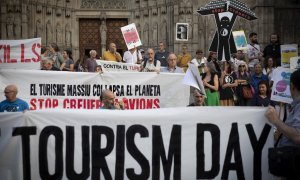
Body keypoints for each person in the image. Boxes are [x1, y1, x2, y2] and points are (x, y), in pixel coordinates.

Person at [265, 70, 300, 148]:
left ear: (292, 86)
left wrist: (276, 120)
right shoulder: (296, 105)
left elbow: (298, 137)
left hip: (292, 157)